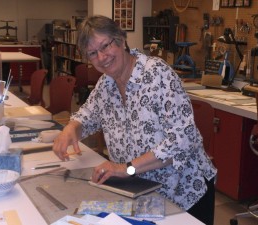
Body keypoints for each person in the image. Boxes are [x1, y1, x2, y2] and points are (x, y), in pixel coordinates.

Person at [53, 15, 217, 225]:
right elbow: (87, 116)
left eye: (105, 46)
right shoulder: (106, 84)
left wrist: (126, 168)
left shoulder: (158, 75)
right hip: (140, 192)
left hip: (183, 194)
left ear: (121, 40)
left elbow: (181, 142)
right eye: (93, 53)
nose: (102, 57)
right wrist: (71, 128)